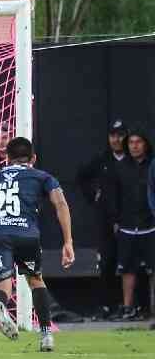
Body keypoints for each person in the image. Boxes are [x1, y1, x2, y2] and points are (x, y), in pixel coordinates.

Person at [0, 137, 74, 352]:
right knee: (35, 280)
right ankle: (45, 335)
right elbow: (60, 203)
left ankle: (0, 304)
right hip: (25, 234)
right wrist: (68, 241)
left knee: (3, 282)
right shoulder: (42, 177)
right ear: (33, 158)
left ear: (7, 158)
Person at [76, 120, 128, 318]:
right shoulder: (102, 160)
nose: (117, 140)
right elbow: (81, 177)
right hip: (105, 220)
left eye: (120, 135)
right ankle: (107, 305)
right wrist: (93, 195)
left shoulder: (133, 160)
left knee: (130, 263)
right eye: (113, 135)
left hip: (131, 220)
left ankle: (130, 305)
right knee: (107, 262)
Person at [113, 132, 153, 321]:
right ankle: (128, 307)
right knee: (127, 269)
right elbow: (114, 196)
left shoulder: (152, 165)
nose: (135, 146)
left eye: (139, 142)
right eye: (131, 142)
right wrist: (116, 219)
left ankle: (152, 308)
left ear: (146, 144)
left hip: (150, 225)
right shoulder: (121, 167)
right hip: (127, 226)